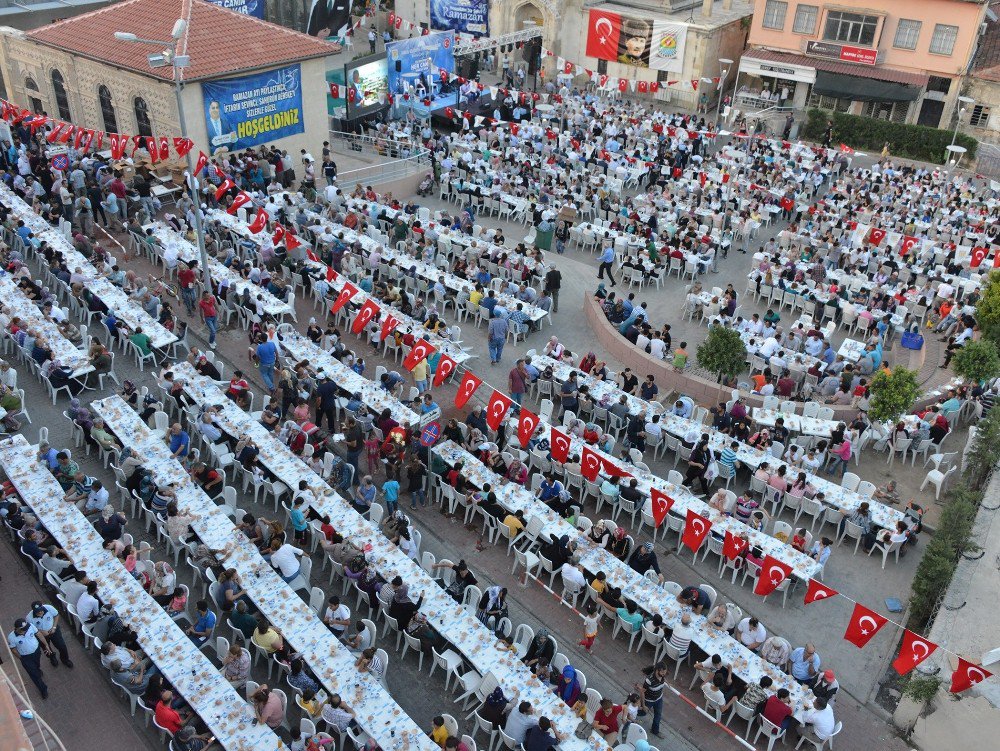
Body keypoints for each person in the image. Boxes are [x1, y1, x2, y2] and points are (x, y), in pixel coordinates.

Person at [7, 618, 48, 698]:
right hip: (26, 657)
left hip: (36, 652)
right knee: (34, 675)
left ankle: (38, 670)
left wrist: (46, 645)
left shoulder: (30, 626)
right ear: (17, 629)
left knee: (36, 666)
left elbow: (39, 634)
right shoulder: (11, 637)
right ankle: (43, 689)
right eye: (23, 629)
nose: (26, 630)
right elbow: (13, 649)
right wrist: (21, 658)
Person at [27, 601, 73, 668]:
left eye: (41, 610)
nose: (40, 612)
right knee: (46, 648)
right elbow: (31, 629)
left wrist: (54, 627)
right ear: (33, 611)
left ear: (43, 606)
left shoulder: (49, 608)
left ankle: (65, 659)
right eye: (37, 611)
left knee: (61, 646)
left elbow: (56, 615)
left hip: (53, 630)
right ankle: (52, 658)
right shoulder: (29, 618)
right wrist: (41, 631)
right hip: (41, 635)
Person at [638, 661, 667, 737]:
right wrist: (643, 705)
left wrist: (668, 682)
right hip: (649, 701)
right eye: (662, 672)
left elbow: (664, 679)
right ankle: (631, 712)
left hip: (659, 699)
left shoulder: (663, 675)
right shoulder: (649, 680)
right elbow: (642, 692)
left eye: (665, 672)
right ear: (657, 671)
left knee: (658, 715)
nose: (664, 674)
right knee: (643, 713)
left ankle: (655, 731)